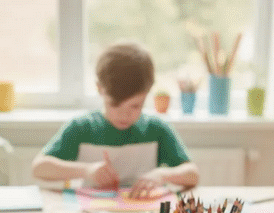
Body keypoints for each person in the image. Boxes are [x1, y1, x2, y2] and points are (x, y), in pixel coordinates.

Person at [31, 41, 199, 198]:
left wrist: (162, 175)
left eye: (135, 106)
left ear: (147, 93)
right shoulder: (82, 128)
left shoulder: (156, 129)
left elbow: (192, 174)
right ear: (100, 89)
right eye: (115, 105)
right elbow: (39, 168)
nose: (124, 115)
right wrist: (87, 170)